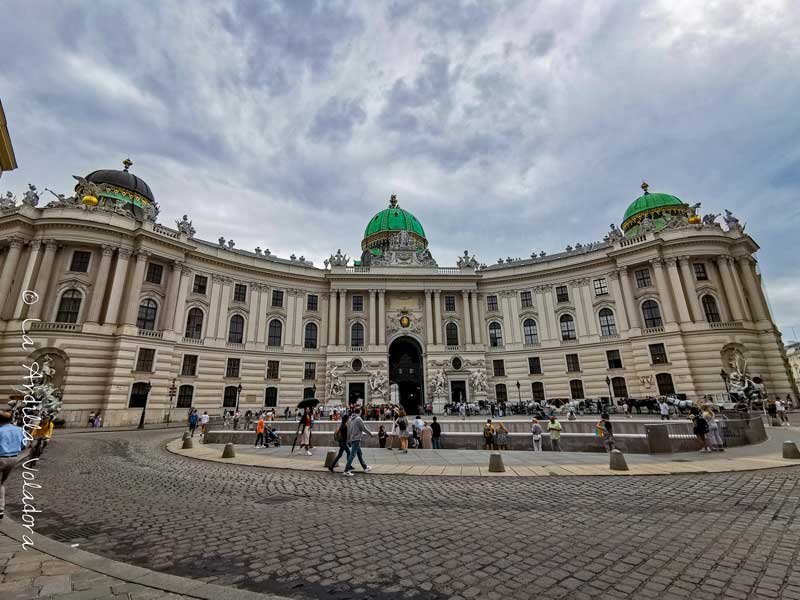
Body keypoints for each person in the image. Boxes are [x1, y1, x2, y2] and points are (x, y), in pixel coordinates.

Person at [0, 410, 28, 520]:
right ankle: (1, 509)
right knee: (1, 483)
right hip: (13, 459)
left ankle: (0, 508)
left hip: (1, 458)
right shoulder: (19, 430)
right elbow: (23, 446)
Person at [344, 408, 374, 476]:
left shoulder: (352, 419)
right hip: (356, 439)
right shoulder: (358, 419)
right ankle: (346, 470)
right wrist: (370, 434)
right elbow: (363, 428)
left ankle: (365, 467)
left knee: (359, 453)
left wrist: (348, 439)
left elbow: (349, 430)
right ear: (359, 412)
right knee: (352, 455)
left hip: (353, 439)